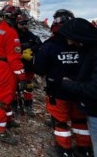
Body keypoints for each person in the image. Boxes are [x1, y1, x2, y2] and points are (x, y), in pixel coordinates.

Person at [33, 9, 93, 156]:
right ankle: (84, 149)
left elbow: (39, 69)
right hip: (80, 91)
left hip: (57, 92)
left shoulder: (49, 45)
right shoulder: (86, 46)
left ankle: (64, 150)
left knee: (60, 122)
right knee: (80, 121)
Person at [58, 18, 97, 156]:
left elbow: (94, 89)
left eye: (71, 38)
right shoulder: (89, 49)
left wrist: (70, 84)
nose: (69, 42)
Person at [0, 5, 26, 145]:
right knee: (4, 99)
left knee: (8, 95)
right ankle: (0, 130)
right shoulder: (11, 33)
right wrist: (22, 76)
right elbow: (14, 58)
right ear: (12, 18)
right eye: (17, 17)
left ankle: (8, 120)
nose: (18, 20)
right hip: (5, 67)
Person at [14, 14, 42, 117]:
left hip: (28, 65)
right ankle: (15, 107)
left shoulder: (30, 34)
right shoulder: (14, 34)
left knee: (28, 86)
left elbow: (39, 44)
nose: (24, 25)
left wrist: (31, 49)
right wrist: (21, 50)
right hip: (17, 65)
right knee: (14, 87)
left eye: (25, 23)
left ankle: (28, 106)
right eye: (22, 24)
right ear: (17, 23)